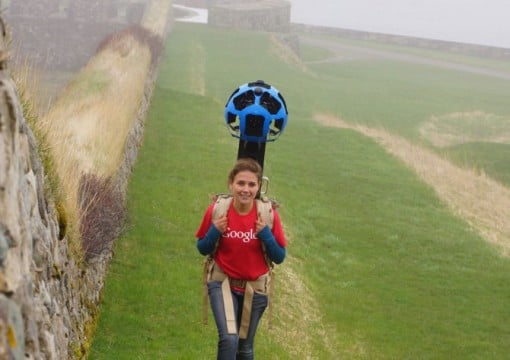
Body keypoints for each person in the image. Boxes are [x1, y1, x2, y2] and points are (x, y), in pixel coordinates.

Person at [196, 157, 287, 359]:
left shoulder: (267, 214)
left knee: (244, 348)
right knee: (229, 339)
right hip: (222, 283)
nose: (245, 189)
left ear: (258, 187)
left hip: (255, 289)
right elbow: (202, 248)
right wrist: (215, 231)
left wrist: (265, 234)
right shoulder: (218, 210)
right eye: (240, 183)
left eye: (251, 184)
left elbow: (279, 256)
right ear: (231, 184)